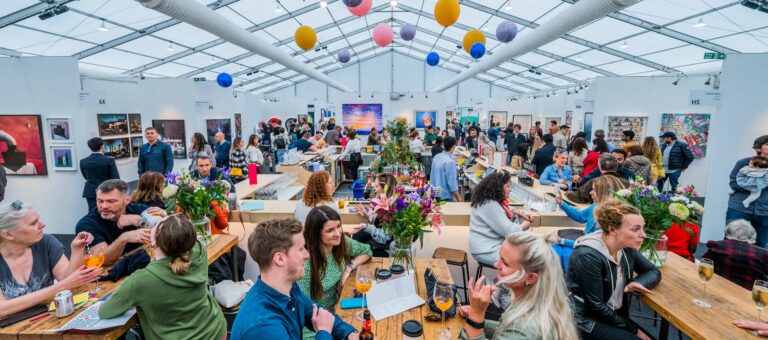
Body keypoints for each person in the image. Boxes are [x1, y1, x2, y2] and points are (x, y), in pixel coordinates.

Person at [98, 215, 226, 340]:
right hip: (214, 330)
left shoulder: (142, 279)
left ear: (153, 242)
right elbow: (182, 237)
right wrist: (174, 224)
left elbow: (105, 311)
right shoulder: (199, 251)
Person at [230, 218, 359, 340]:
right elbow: (323, 324)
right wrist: (323, 331)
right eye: (301, 249)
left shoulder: (288, 288)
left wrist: (351, 334)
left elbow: (318, 312)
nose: (307, 255)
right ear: (280, 258)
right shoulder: (263, 326)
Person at [567, 199, 661, 340]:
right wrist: (634, 329)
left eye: (642, 228)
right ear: (612, 229)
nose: (643, 234)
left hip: (610, 315)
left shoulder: (626, 248)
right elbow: (596, 306)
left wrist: (638, 282)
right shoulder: (587, 255)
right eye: (636, 229)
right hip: (585, 320)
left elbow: (653, 271)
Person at [458, 232, 579, 340]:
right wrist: (477, 317)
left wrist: (476, 316)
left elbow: (517, 332)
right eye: (499, 258)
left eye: (505, 263)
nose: (496, 264)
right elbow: (505, 330)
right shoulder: (536, 304)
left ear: (531, 278)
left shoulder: (524, 328)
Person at [0, 201, 102, 319]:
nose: (42, 224)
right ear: (8, 234)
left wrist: (77, 251)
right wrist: (60, 287)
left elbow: (69, 283)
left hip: (47, 320)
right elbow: (2, 309)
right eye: (33, 223)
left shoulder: (46, 242)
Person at [299, 206, 372, 339]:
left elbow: (366, 251)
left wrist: (348, 269)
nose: (338, 233)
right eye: (330, 230)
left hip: (339, 309)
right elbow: (305, 313)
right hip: (318, 325)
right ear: (316, 234)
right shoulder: (306, 263)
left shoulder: (340, 243)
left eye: (339, 226)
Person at [75, 179, 165, 264]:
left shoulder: (139, 209)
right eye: (100, 201)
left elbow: (165, 234)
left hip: (139, 262)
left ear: (127, 200)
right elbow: (102, 260)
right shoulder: (86, 224)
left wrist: (163, 218)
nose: (104, 206)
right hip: (108, 273)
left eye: (111, 201)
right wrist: (124, 238)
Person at [469, 171, 532, 265]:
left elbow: (503, 207)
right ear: (498, 188)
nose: (510, 190)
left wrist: (517, 211)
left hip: (485, 248)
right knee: (528, 261)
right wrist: (523, 226)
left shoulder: (486, 200)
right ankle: (508, 279)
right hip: (487, 251)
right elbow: (509, 231)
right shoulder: (491, 205)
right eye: (508, 186)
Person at [547, 176, 627, 248]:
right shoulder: (596, 205)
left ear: (604, 193)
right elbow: (581, 216)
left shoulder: (609, 219)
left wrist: (561, 241)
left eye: (594, 190)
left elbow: (591, 244)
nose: (590, 193)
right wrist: (561, 203)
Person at [727, 135, 768, 246]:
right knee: (731, 241)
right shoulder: (744, 163)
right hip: (739, 207)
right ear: (758, 148)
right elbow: (733, 183)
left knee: (760, 245)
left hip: (765, 211)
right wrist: (754, 185)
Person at [704, 220, 768, 290]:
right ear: (752, 235)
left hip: (718, 289)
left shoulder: (718, 246)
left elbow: (704, 265)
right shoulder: (764, 254)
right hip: (748, 297)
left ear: (728, 232)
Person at [351, 173, 397, 257]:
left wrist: (366, 226)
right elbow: (379, 220)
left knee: (357, 243)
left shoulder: (392, 208)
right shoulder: (385, 203)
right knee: (357, 236)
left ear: (385, 188)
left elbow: (383, 238)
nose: (374, 189)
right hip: (381, 240)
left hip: (386, 247)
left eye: (376, 186)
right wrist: (366, 214)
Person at [80, 137, 120, 210]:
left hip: (90, 191)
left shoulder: (83, 161)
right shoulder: (109, 160)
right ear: (102, 146)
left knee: (93, 213)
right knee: (107, 212)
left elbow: (86, 177)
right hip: (106, 191)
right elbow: (116, 179)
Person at [430, 136, 461, 202]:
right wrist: (459, 198)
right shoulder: (450, 162)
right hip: (446, 196)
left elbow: (433, 177)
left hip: (435, 193)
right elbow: (452, 185)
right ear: (453, 147)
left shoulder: (436, 157)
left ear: (443, 145)